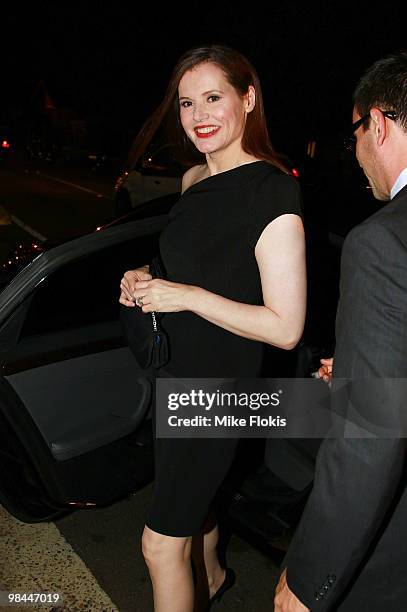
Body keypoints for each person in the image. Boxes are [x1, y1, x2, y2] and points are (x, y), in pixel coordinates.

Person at [119, 44, 306, 611]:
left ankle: (205, 577)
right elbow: (195, 265)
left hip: (218, 393)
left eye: (213, 97)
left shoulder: (273, 191)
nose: (198, 114)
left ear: (248, 99)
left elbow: (285, 328)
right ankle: (215, 576)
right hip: (174, 375)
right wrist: (146, 278)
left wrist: (187, 296)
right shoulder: (193, 178)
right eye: (186, 103)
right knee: (191, 506)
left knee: (158, 546)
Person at [274, 51, 407, 612]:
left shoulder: (380, 243)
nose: (354, 154)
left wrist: (308, 579)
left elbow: (371, 435)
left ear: (376, 122)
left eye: (354, 133)